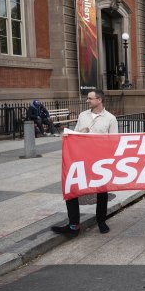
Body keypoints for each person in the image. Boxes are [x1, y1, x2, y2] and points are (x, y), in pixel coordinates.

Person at [51, 89, 118, 237]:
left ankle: (101, 221)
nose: (87, 101)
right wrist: (70, 135)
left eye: (90, 98)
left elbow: (113, 142)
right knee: (72, 188)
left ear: (99, 100)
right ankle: (73, 225)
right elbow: (74, 135)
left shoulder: (111, 119)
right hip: (80, 159)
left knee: (101, 192)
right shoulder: (82, 116)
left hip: (100, 161)